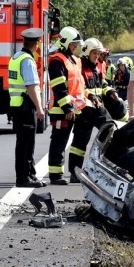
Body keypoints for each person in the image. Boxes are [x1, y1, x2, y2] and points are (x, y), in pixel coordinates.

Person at [67, 37, 113, 183]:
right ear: (87, 53)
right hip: (84, 110)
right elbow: (80, 87)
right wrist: (90, 96)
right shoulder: (80, 67)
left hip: (97, 109)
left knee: (110, 134)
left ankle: (107, 170)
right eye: (95, 54)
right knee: (79, 145)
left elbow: (102, 84)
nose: (97, 57)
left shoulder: (97, 68)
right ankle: (74, 173)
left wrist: (110, 91)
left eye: (98, 54)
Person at [46, 26, 86, 185]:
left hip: (72, 109)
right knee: (59, 142)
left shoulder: (71, 59)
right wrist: (67, 108)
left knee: (64, 141)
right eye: (73, 44)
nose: (75, 46)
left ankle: (60, 173)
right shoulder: (57, 60)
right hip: (61, 109)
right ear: (65, 42)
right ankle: (55, 175)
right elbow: (59, 87)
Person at [8, 28, 47, 188]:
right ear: (36, 44)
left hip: (17, 106)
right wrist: (39, 108)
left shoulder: (16, 57)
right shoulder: (28, 61)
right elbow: (31, 86)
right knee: (26, 144)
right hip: (26, 107)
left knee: (23, 143)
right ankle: (24, 178)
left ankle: (29, 175)